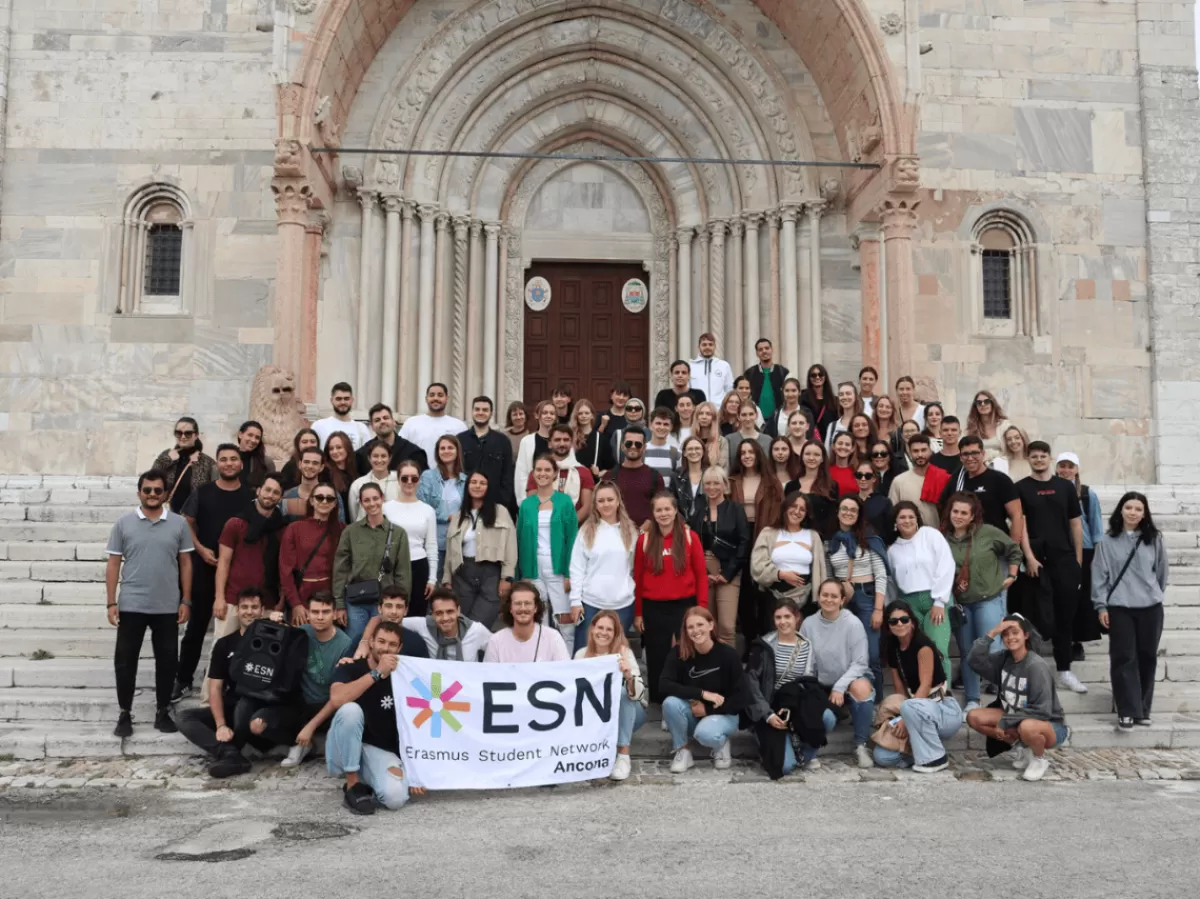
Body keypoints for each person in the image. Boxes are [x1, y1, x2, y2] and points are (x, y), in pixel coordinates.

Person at [106, 470, 194, 737]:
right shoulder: (123, 524)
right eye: (147, 490)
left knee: (167, 661)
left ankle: (162, 711)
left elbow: (186, 563)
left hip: (167, 606)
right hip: (131, 604)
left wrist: (186, 599)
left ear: (165, 494)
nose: (152, 494)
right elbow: (113, 564)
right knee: (125, 661)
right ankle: (124, 713)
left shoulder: (179, 524)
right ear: (139, 493)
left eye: (158, 490)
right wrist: (111, 602)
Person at [175, 444, 252, 702]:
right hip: (205, 567)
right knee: (196, 628)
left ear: (241, 464)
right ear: (217, 464)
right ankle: (183, 679)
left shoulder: (250, 496)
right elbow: (186, 521)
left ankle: (233, 683)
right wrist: (200, 548)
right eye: (224, 459)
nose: (229, 463)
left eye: (233, 459)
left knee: (238, 630)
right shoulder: (203, 492)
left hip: (238, 573)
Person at [1013, 441, 1086, 694]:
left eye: (1043, 456)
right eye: (1034, 456)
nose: (1039, 460)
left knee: (1065, 616)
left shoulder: (1065, 487)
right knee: (1034, 618)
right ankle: (1029, 671)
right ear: (1029, 459)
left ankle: (1065, 670)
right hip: (1037, 562)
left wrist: (1078, 560)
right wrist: (1029, 557)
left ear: (1049, 458)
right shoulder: (1021, 488)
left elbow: (1076, 524)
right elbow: (1020, 525)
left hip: (1064, 559)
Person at [327, 621, 423, 813]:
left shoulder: (405, 676)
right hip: (342, 747)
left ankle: (368, 779)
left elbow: (419, 722)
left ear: (399, 648)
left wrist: (417, 771)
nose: (385, 648)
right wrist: (377, 673)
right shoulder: (351, 667)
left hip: (377, 749)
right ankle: (352, 785)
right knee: (350, 710)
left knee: (395, 798)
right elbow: (337, 699)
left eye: (392, 644)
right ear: (371, 642)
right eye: (381, 641)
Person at [1093, 491, 1169, 732]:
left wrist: (1153, 593)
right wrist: (1101, 606)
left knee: (1147, 657)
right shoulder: (1106, 542)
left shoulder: (1154, 539)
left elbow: (1162, 571)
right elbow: (1099, 576)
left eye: (1138, 509)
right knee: (1123, 658)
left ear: (1144, 513)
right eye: (1128, 508)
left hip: (1150, 607)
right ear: (1120, 510)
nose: (1133, 513)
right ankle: (1127, 711)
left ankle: (1143, 709)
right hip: (1120, 607)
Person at [250, 591, 353, 769]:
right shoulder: (302, 632)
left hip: (326, 706)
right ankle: (301, 742)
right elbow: (268, 640)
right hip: (297, 704)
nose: (320, 617)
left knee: (345, 713)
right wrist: (271, 620)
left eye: (325, 612)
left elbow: (338, 697)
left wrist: (310, 726)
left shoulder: (345, 645)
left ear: (335, 614)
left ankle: (309, 740)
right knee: (257, 725)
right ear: (308, 613)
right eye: (315, 612)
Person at [941, 491, 1022, 711]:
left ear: (972, 516)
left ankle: (1007, 696)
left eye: (963, 513)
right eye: (955, 511)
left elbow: (1014, 550)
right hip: (960, 604)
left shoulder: (988, 532)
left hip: (988, 600)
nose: (958, 516)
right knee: (968, 653)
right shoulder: (942, 538)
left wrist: (1012, 575)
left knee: (994, 649)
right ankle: (972, 699)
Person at [965, 614, 1069, 782]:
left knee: (1027, 727)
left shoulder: (1036, 666)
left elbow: (1042, 711)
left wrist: (1004, 722)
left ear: (1026, 635)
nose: (1010, 637)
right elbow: (974, 660)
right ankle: (1023, 747)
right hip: (1016, 716)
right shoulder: (1004, 658)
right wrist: (992, 633)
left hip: (1050, 724)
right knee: (974, 717)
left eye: (1015, 632)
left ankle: (1039, 759)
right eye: (1005, 634)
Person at [176, 587, 264, 776]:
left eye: (254, 607)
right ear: (237, 610)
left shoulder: (273, 640)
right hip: (232, 708)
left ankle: (232, 755)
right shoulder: (225, 644)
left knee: (245, 704)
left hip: (261, 713)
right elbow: (215, 687)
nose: (249, 612)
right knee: (184, 717)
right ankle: (229, 754)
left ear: (262, 610)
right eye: (245, 607)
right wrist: (221, 724)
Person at [873, 598, 964, 772]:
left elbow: (925, 686)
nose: (899, 624)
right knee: (882, 757)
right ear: (888, 626)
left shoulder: (923, 647)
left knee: (909, 707)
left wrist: (906, 719)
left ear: (913, 622)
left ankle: (936, 759)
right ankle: (916, 750)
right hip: (914, 709)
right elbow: (900, 692)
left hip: (940, 708)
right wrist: (902, 718)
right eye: (893, 621)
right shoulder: (893, 648)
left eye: (904, 619)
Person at [634, 491, 709, 704]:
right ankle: (659, 701)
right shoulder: (645, 540)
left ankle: (687, 696)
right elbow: (638, 578)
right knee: (656, 656)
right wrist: (638, 612)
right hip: (654, 606)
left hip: (684, 605)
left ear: (676, 511)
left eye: (668, 509)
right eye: (659, 510)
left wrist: (701, 608)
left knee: (686, 652)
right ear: (653, 514)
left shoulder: (690, 537)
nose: (664, 513)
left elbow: (701, 575)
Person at [746, 598, 830, 776]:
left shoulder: (806, 646)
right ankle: (773, 743)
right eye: (778, 617)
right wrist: (768, 715)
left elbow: (808, 682)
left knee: (828, 716)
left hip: (794, 704)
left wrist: (793, 706)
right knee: (784, 767)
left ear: (797, 617)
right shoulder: (763, 646)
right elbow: (751, 684)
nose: (783, 622)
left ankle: (804, 753)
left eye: (787, 617)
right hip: (769, 708)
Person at [661, 606, 748, 773]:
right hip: (694, 711)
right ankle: (683, 751)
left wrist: (708, 710)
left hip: (724, 713)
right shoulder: (679, 652)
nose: (695, 631)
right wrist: (702, 694)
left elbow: (741, 698)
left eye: (700, 625)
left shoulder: (728, 654)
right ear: (685, 631)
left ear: (711, 625)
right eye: (690, 627)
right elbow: (664, 684)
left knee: (705, 734)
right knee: (670, 703)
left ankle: (721, 743)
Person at [801, 578, 876, 768]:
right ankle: (810, 746)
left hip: (848, 681)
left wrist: (840, 687)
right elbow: (804, 659)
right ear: (818, 597)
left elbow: (860, 663)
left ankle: (861, 745)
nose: (829, 599)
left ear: (842, 600)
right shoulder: (808, 624)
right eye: (825, 595)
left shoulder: (853, 623)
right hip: (820, 683)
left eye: (834, 596)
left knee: (861, 687)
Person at [332, 482, 413, 646]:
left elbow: (403, 572)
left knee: (384, 644)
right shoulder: (350, 532)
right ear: (361, 503)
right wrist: (339, 604)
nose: (372, 503)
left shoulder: (398, 533)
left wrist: (401, 604)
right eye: (367, 500)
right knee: (355, 644)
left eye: (375, 498)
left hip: (385, 600)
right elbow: (341, 570)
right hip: (356, 600)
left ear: (382, 498)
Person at [827, 495, 890, 692]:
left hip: (867, 597)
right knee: (845, 652)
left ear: (859, 515)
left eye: (853, 510)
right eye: (844, 509)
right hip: (842, 600)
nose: (848, 513)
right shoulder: (831, 542)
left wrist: (878, 609)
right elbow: (829, 576)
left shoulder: (869, 538)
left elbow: (881, 575)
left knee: (871, 653)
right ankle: (852, 697)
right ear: (837, 512)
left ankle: (877, 700)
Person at [887, 501, 956, 681]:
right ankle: (920, 694)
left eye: (911, 516)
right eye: (902, 517)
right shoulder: (892, 550)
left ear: (917, 519)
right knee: (915, 650)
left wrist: (940, 601)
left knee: (938, 648)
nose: (907, 520)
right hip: (909, 603)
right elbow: (892, 582)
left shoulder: (930, 535)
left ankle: (944, 694)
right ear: (895, 522)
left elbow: (946, 565)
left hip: (935, 599)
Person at [575, 609, 647, 781]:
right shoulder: (581, 655)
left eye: (609, 629)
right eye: (600, 627)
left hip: (629, 712)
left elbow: (639, 694)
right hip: (597, 715)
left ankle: (623, 756)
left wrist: (628, 675)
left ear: (615, 634)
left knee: (622, 693)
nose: (603, 633)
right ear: (592, 628)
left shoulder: (624, 653)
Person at [517, 455, 581, 647]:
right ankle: (542, 660)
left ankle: (566, 660)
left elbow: (572, 539)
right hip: (533, 569)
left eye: (547, 470)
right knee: (539, 621)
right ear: (533, 473)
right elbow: (519, 539)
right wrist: (521, 574)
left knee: (565, 620)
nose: (542, 473)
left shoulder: (565, 502)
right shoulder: (526, 504)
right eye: (538, 470)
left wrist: (569, 573)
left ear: (555, 474)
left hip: (558, 569)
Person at [442, 470, 516, 628]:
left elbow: (510, 546)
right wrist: (447, 580)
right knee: (462, 624)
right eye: (473, 482)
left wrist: (507, 577)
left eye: (482, 483)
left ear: (488, 487)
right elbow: (450, 551)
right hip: (462, 575)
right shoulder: (459, 516)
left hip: (491, 574)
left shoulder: (500, 512)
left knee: (479, 626)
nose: (477, 486)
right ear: (467, 486)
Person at [214, 475, 288, 632]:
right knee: (224, 645)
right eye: (267, 490)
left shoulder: (282, 529)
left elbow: (284, 569)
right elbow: (223, 563)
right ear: (258, 491)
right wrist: (219, 598)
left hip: (266, 603)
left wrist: (281, 602)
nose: (270, 495)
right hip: (233, 600)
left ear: (280, 498)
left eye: (276, 492)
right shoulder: (235, 524)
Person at [569, 482, 638, 649]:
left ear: (618, 501)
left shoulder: (630, 531)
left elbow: (634, 568)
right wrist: (575, 601)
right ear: (595, 504)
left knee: (615, 656)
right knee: (584, 654)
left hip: (622, 605)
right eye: (601, 501)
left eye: (610, 499)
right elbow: (577, 568)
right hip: (591, 604)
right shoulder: (586, 531)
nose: (606, 504)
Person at [689, 466, 750, 646]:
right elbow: (692, 544)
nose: (712, 487)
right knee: (707, 623)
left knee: (727, 625)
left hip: (729, 569)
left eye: (716, 483)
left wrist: (728, 573)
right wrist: (703, 573)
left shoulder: (736, 509)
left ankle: (729, 662)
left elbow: (744, 542)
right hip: (704, 569)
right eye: (708, 483)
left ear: (724, 485)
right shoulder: (699, 512)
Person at [1056, 451, 1105, 658]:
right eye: (1062, 466)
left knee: (1080, 597)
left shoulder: (1086, 493)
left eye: (1070, 466)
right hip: (1058, 548)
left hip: (1084, 549)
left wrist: (1097, 555)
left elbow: (1096, 525)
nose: (1066, 470)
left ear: (1076, 469)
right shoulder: (1051, 489)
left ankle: (1076, 639)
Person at [751, 492, 828, 615]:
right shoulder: (768, 533)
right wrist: (781, 574)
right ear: (785, 507)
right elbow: (757, 567)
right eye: (793, 506)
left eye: (802, 509)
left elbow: (821, 571)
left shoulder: (813, 536)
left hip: (806, 600)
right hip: (773, 598)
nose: (797, 511)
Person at [279, 483, 345, 625]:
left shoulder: (342, 530)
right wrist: (295, 604)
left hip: (330, 597)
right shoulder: (295, 528)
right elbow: (285, 570)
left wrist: (340, 604)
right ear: (311, 501)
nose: (324, 501)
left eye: (329, 498)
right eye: (319, 497)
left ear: (335, 503)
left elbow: (345, 569)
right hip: (302, 596)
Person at [939, 435, 1025, 543]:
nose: (970, 458)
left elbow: (1017, 515)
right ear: (960, 457)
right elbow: (945, 511)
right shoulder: (956, 481)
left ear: (983, 454)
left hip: (994, 544)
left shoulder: (1000, 480)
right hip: (964, 544)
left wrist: (1013, 547)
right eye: (965, 454)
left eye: (975, 453)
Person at [382, 460, 438, 617]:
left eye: (414, 478)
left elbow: (431, 545)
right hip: (392, 566)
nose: (409, 482)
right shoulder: (385, 508)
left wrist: (432, 579)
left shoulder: (428, 510)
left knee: (416, 616)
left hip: (418, 566)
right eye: (404, 478)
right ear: (398, 480)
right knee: (392, 614)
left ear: (419, 480)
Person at [417, 435, 467, 583]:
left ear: (457, 451)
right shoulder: (428, 476)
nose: (446, 451)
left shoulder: (465, 480)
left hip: (458, 540)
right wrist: (448, 517)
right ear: (437, 452)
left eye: (450, 447)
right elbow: (422, 506)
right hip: (435, 540)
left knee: (456, 584)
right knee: (434, 583)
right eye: (442, 448)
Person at [483, 581, 572, 662]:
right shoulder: (496, 641)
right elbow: (489, 673)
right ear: (510, 608)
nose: (523, 608)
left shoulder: (553, 637)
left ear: (536, 608)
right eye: (518, 603)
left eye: (527, 603)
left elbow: (564, 671)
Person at [525, 423, 595, 522]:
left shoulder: (583, 472)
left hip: (575, 528)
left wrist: (567, 526)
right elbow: (532, 504)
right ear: (549, 443)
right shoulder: (538, 472)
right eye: (557, 440)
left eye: (566, 440)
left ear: (571, 443)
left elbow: (587, 507)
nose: (562, 444)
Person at [458, 395, 516, 512]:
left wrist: (503, 502)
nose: (480, 412)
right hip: (466, 504)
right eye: (477, 409)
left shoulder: (502, 441)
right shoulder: (460, 440)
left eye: (485, 410)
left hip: (495, 504)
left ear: (491, 413)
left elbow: (507, 475)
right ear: (472, 412)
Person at [402, 587, 491, 661]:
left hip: (466, 676)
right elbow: (396, 622)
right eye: (439, 613)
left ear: (458, 611)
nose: (445, 618)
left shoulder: (476, 630)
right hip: (435, 676)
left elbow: (497, 647)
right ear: (432, 614)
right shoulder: (424, 625)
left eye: (450, 612)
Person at [152, 416, 216, 513]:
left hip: (196, 517)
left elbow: (214, 492)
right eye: (178, 433)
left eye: (188, 433)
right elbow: (151, 477)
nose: (183, 437)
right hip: (169, 514)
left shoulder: (207, 462)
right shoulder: (167, 455)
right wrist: (168, 459)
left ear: (196, 435)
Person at [353, 585, 431, 660]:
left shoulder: (416, 642)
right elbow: (348, 665)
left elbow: (425, 668)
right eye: (389, 606)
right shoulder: (362, 639)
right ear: (380, 608)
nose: (394, 612)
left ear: (406, 610)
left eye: (399, 607)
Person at [607, 425, 664, 527]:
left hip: (646, 533)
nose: (633, 447)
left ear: (644, 447)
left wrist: (645, 527)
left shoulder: (655, 476)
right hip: (616, 532)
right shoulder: (610, 476)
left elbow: (661, 506)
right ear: (622, 446)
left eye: (638, 444)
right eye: (629, 443)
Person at [399, 382, 468, 462]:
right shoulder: (411, 423)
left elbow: (465, 454)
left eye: (440, 395)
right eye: (432, 395)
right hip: (418, 469)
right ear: (426, 399)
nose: (436, 398)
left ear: (447, 398)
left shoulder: (458, 426)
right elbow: (400, 449)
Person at [887, 434, 945, 527]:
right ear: (910, 453)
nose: (920, 455)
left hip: (937, 532)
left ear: (930, 451)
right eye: (915, 451)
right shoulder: (899, 481)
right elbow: (893, 512)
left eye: (923, 450)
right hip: (909, 533)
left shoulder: (942, 477)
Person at [786, 439, 839, 538]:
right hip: (794, 537)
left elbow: (832, 518)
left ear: (822, 459)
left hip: (821, 539)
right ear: (802, 457)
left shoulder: (831, 486)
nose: (811, 458)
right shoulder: (791, 486)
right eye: (807, 454)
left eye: (816, 455)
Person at [356, 403, 427, 474]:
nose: (382, 421)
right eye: (377, 420)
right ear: (372, 426)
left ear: (394, 422)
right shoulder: (362, 455)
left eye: (386, 418)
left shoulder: (413, 453)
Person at [283, 445, 347, 523]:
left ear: (321, 467)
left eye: (315, 463)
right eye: (306, 462)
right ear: (300, 464)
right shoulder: (287, 496)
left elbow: (340, 526)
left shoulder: (332, 496)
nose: (310, 466)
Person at [348, 441, 401, 522]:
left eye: (383, 456)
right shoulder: (357, 484)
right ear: (369, 458)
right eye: (375, 456)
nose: (379, 460)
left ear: (390, 458)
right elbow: (353, 515)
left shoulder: (400, 482)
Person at [312, 382, 372, 450]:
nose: (343, 402)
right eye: (338, 399)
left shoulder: (361, 428)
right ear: (331, 400)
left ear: (352, 400)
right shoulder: (318, 426)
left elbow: (367, 453)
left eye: (346, 399)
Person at [514, 399, 558, 492]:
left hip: (556, 493)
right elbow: (521, 473)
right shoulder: (526, 441)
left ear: (555, 417)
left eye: (552, 413)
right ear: (537, 415)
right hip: (533, 493)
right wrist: (524, 498)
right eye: (545, 413)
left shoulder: (561, 440)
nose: (548, 416)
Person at [744, 337, 789, 424]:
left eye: (767, 348)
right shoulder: (750, 373)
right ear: (757, 353)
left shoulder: (783, 372)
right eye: (760, 349)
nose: (764, 351)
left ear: (772, 350)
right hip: (755, 420)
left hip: (778, 419)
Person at [571, 398, 616, 479]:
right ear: (576, 416)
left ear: (592, 415)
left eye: (587, 413)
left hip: (593, 482)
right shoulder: (569, 437)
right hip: (573, 481)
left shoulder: (601, 439)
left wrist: (600, 473)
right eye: (580, 413)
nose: (583, 416)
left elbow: (610, 466)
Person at [965, 389, 1012, 463]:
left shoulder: (1004, 426)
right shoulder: (971, 429)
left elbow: (1012, 450)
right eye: (979, 402)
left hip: (1002, 466)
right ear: (975, 406)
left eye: (986, 401)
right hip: (979, 467)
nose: (983, 404)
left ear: (992, 404)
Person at [689, 332, 735, 405]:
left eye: (710, 344)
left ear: (715, 347)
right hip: (698, 409)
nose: (707, 347)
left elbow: (729, 390)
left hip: (719, 409)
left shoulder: (724, 366)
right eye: (704, 345)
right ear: (698, 347)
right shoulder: (690, 366)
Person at [643, 406, 682, 490]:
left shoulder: (676, 454)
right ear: (650, 425)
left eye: (666, 424)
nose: (662, 427)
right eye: (658, 423)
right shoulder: (641, 451)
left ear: (671, 427)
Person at [856, 459, 893, 545]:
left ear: (874, 479)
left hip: (877, 547)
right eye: (859, 475)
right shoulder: (850, 500)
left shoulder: (884, 502)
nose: (863, 479)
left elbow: (889, 531)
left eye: (867, 476)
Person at [724, 397, 772, 463]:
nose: (748, 418)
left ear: (756, 415)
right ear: (738, 416)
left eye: (751, 414)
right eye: (744, 415)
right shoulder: (729, 440)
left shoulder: (767, 440)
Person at [675, 435, 709, 521]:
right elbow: (672, 504)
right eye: (690, 449)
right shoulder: (676, 476)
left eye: (697, 448)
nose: (694, 452)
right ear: (684, 453)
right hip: (683, 524)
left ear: (703, 451)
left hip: (706, 523)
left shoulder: (711, 474)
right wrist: (682, 523)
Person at [322, 431, 359, 511]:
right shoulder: (325, 472)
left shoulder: (355, 470)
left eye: (339, 447)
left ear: (347, 448)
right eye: (331, 449)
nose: (335, 451)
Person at [276, 427, 320, 493]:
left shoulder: (325, 467)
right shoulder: (290, 466)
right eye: (304, 442)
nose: (309, 445)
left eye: (312, 442)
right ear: (298, 445)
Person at [800, 364, 838, 436]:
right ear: (809, 378)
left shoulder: (834, 400)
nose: (817, 377)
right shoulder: (803, 398)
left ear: (825, 377)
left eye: (820, 374)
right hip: (810, 438)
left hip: (829, 438)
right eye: (813, 375)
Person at [823, 381, 864, 449]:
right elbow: (827, 452)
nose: (844, 397)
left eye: (848, 393)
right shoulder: (832, 427)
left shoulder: (863, 424)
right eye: (841, 394)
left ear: (855, 397)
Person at [236, 420, 274, 489]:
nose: (253, 440)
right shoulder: (228, 459)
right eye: (250, 435)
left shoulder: (266, 462)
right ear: (240, 434)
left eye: (257, 437)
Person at [692, 400, 728, 472]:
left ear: (713, 418)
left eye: (708, 414)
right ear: (696, 417)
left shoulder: (722, 442)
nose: (704, 417)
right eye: (701, 413)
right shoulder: (690, 441)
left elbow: (723, 468)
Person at [827, 432, 860, 499]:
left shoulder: (858, 471)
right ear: (833, 446)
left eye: (847, 444)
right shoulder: (826, 471)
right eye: (840, 443)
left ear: (852, 449)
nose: (843, 447)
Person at [930, 415, 963, 479]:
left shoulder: (967, 458)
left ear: (960, 433)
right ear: (940, 433)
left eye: (953, 430)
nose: (949, 433)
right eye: (945, 430)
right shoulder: (932, 460)